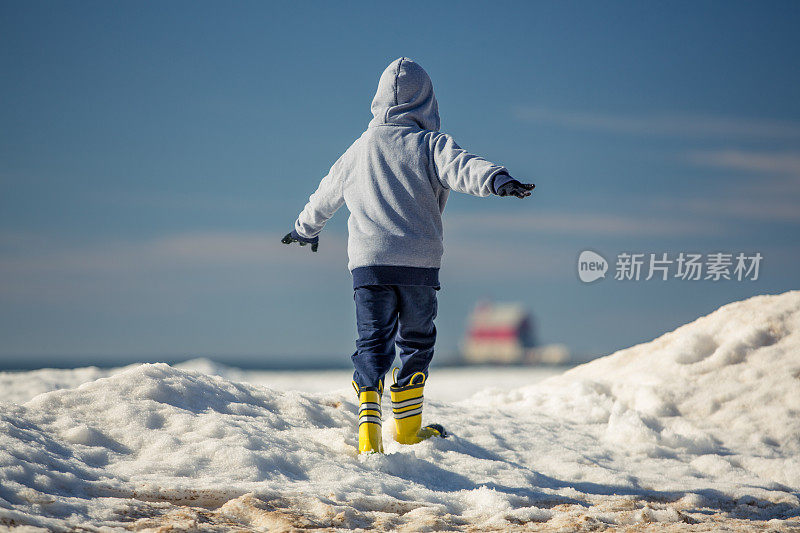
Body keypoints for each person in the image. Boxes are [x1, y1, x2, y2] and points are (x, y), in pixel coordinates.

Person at [282, 57, 535, 454]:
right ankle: (407, 430)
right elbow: (464, 166)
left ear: (378, 101)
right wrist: (497, 180)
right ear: (428, 103)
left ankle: (369, 435)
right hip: (418, 264)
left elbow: (325, 194)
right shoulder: (430, 144)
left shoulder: (358, 150)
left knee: (372, 342)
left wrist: (304, 229)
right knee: (416, 342)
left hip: (369, 265)